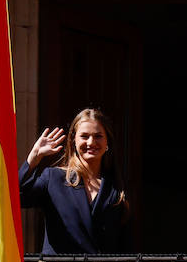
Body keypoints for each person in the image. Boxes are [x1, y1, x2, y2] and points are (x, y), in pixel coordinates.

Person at [20, 108, 131, 254]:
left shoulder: (117, 187)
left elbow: (124, 243)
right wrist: (33, 157)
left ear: (107, 142)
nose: (91, 142)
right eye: (84, 136)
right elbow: (17, 197)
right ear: (74, 140)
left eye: (98, 136)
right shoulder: (53, 178)